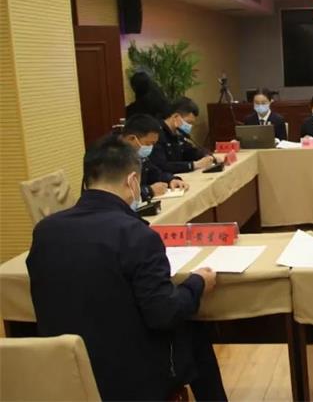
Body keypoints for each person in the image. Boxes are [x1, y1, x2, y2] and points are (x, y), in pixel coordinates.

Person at [26, 136, 226, 401]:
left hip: (63, 370)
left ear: (87, 180)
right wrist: (196, 282)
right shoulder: (136, 235)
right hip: (130, 379)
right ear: (133, 181)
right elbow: (164, 314)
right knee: (193, 329)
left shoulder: (45, 231)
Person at [120, 114, 188, 202]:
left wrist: (171, 180)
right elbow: (120, 194)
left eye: (153, 144)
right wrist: (150, 191)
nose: (150, 148)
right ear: (131, 138)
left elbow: (154, 173)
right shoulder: (111, 157)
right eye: (148, 143)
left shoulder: (138, 154)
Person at [151, 97, 215, 174]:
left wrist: (209, 156)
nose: (190, 126)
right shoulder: (155, 133)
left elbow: (190, 152)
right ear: (176, 116)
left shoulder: (178, 134)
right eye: (188, 122)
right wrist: (193, 165)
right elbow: (162, 165)